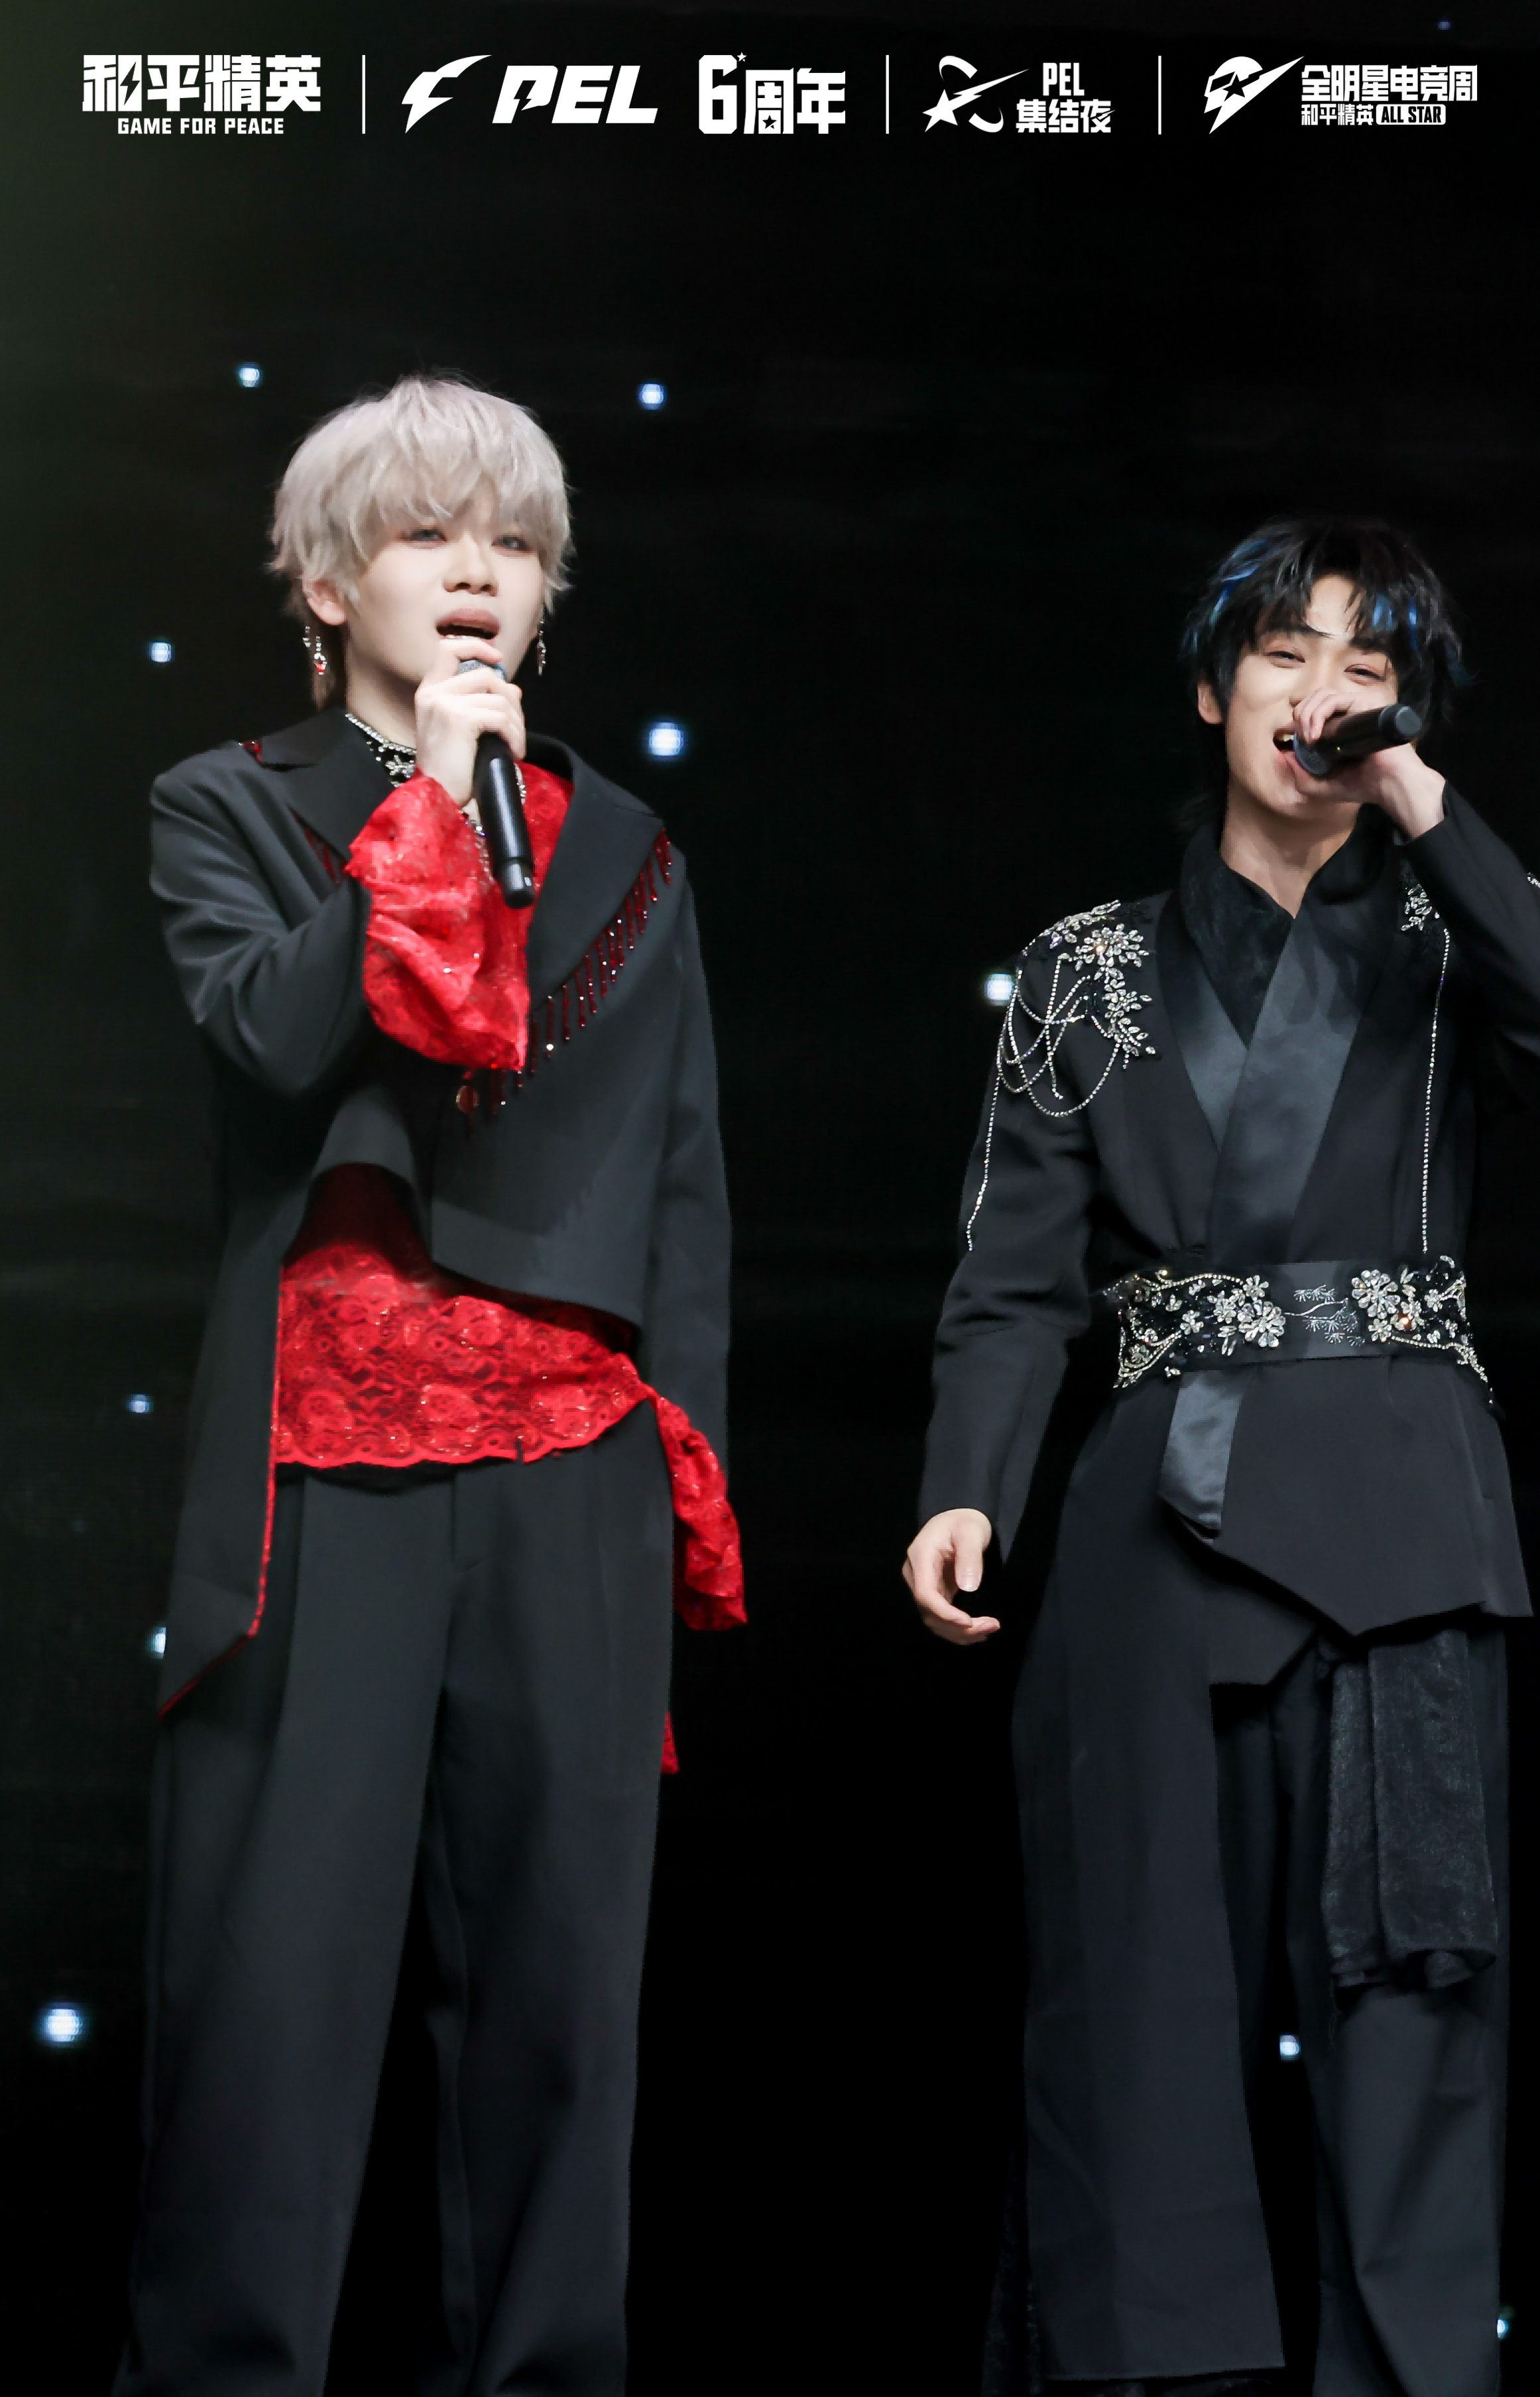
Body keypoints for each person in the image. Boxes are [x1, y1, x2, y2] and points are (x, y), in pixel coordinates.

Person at [905, 518, 1540, 2397]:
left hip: (1402, 1529)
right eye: (1287, 652)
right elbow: (1012, 1278)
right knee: (1135, 2008)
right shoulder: (1083, 970)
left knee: (1414, 2015)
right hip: (1158, 1530)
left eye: (1366, 663)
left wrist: (1421, 802)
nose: (1321, 691)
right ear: (1214, 689)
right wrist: (968, 1483)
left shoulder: (1453, 942)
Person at [125, 374, 742, 2394]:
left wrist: (681, 1464)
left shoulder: (629, 844)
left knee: (565, 1997)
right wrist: (425, 807)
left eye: (515, 543)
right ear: (327, 585)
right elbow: (270, 1042)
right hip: (329, 1452)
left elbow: (681, 1181)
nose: (477, 570)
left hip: (573, 1460)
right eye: (424, 533)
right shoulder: (228, 802)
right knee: (274, 1988)